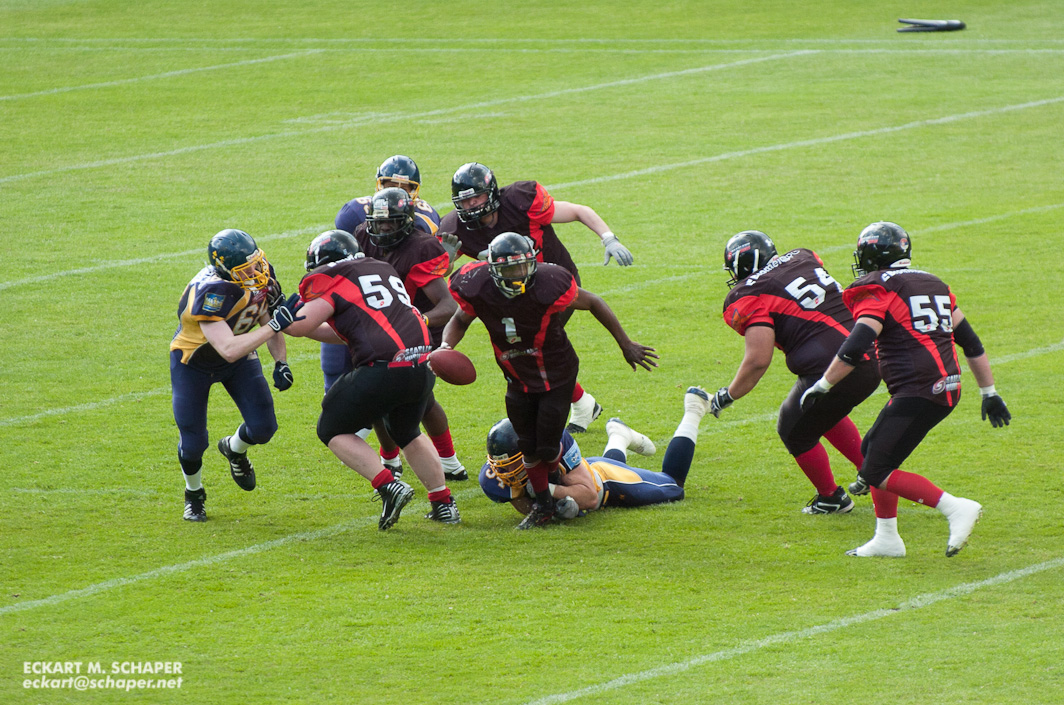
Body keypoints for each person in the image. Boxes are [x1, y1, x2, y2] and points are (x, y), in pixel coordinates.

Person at [801, 222, 1011, 557]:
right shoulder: (933, 283)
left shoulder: (877, 289)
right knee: (872, 450)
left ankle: (955, 508)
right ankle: (887, 539)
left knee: (876, 469)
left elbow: (856, 345)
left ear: (870, 256)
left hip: (919, 388)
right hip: (945, 386)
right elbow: (971, 343)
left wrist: (824, 384)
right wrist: (990, 392)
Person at [444, 231, 657, 529]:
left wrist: (625, 344)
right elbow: (459, 319)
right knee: (528, 446)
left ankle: (557, 482)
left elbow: (593, 301)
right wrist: (445, 347)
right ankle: (544, 506)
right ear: (493, 270)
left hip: (557, 374)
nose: (518, 275)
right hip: (517, 376)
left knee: (545, 448)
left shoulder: (549, 283)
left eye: (522, 266)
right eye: (510, 270)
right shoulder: (476, 286)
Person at [281, 230, 460, 530]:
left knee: (331, 428)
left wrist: (278, 315)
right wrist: (299, 326)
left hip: (384, 368)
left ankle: (388, 485)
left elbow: (299, 326)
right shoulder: (381, 269)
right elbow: (344, 332)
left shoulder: (335, 279)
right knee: (408, 432)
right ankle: (444, 504)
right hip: (421, 363)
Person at [439, 162, 635, 434]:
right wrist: (446, 260)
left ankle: (569, 407)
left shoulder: (521, 202)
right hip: (508, 296)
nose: (471, 205)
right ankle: (581, 403)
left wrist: (608, 238)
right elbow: (439, 272)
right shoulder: (455, 227)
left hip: (551, 287)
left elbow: (578, 211)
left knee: (535, 350)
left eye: (477, 197)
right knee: (525, 355)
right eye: (465, 200)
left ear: (491, 192)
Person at [709, 230, 881, 514]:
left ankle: (832, 497)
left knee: (793, 429)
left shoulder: (746, 294)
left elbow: (758, 360)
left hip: (833, 366)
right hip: (872, 353)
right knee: (818, 410)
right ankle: (871, 472)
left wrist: (729, 395)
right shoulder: (803, 257)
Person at [169, 229, 300, 522]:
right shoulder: (211, 292)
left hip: (239, 357)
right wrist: (274, 327)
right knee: (193, 442)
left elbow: (266, 317)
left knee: (264, 427)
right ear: (226, 269)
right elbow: (228, 348)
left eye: (256, 262)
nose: (256, 271)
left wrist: (281, 362)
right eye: (246, 268)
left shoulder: (260, 274)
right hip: (194, 362)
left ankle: (234, 449)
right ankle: (194, 494)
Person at [351, 187, 467, 481]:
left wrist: (416, 321)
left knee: (421, 400)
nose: (383, 228)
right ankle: (391, 459)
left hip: (420, 329)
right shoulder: (362, 235)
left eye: (390, 222)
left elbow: (448, 306)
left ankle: (447, 461)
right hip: (379, 328)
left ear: (406, 222)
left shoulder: (420, 248)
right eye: (379, 222)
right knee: (379, 398)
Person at [479, 387, 712, 519]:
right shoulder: (493, 478)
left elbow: (589, 496)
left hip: (605, 482)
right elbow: (531, 509)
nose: (507, 471)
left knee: (673, 486)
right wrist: (556, 510)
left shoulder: (555, 441)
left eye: (512, 463)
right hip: (587, 474)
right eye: (502, 465)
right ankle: (619, 435)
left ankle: (694, 408)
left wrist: (550, 491)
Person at [322, 155, 442, 392]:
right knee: (337, 375)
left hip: (399, 315)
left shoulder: (424, 224)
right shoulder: (355, 216)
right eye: (390, 184)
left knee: (402, 393)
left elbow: (432, 276)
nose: (397, 190)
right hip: (359, 305)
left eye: (404, 187)